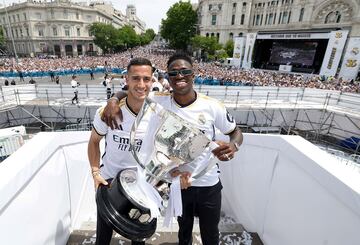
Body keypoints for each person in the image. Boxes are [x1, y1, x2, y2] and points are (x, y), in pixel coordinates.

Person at [102, 52, 243, 245]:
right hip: (179, 185)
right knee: (183, 233)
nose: (180, 76)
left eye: (185, 71)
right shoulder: (159, 99)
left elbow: (236, 133)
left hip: (208, 184)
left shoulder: (212, 107)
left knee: (210, 234)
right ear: (167, 77)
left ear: (194, 74)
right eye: (173, 73)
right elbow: (131, 91)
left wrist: (233, 146)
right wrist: (112, 101)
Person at [88, 57, 156, 245]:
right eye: (135, 78)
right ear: (126, 79)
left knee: (138, 237)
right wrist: (95, 173)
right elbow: (94, 142)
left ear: (152, 81)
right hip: (109, 182)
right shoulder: (108, 111)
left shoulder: (158, 113)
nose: (141, 84)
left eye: (146, 79)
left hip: (141, 186)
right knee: (103, 237)